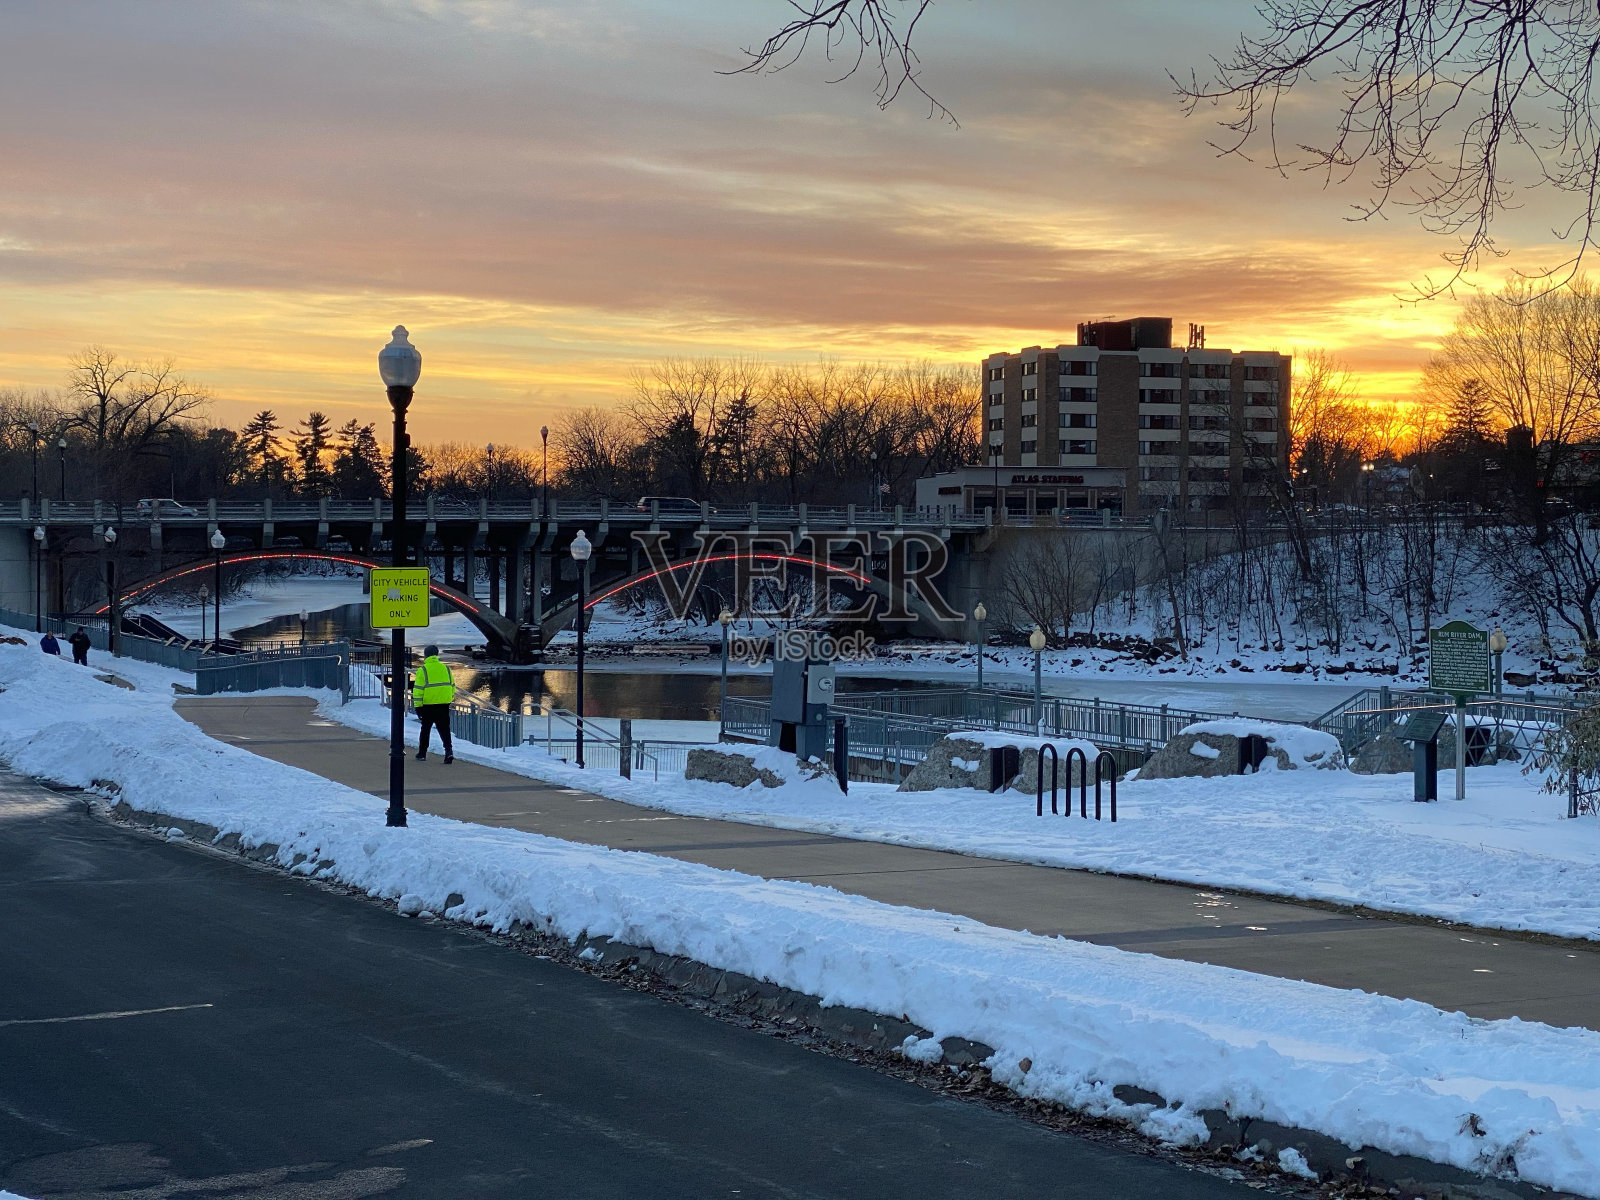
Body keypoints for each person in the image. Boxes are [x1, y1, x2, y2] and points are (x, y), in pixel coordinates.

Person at [411, 643, 454, 764]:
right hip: (443, 704)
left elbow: (418, 690)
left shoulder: (423, 670)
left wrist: (418, 707)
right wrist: (448, 699)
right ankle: (449, 751)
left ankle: (422, 753)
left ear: (426, 656)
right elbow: (452, 686)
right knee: (445, 729)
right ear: (436, 654)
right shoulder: (446, 668)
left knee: (425, 729)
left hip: (428, 705)